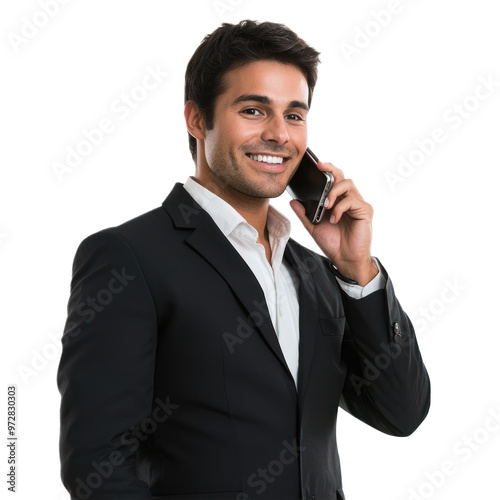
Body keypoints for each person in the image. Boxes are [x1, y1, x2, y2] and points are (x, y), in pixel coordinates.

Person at [57, 19, 430, 500]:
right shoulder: (128, 257)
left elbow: (401, 412)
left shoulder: (319, 274)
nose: (279, 135)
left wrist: (358, 271)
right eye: (254, 110)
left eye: (294, 115)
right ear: (196, 119)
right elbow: (99, 464)